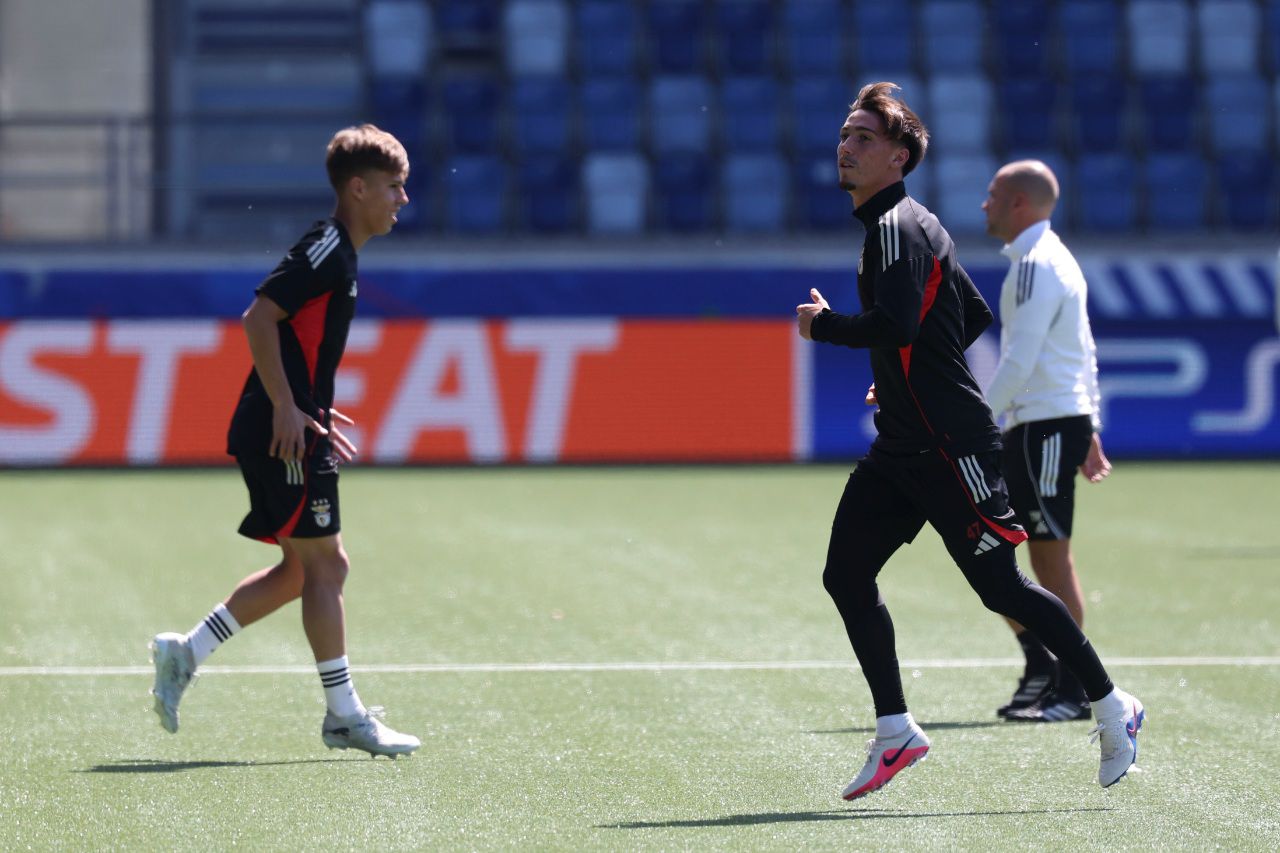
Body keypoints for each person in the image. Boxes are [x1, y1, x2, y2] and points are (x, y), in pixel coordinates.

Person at [795, 82, 1143, 800]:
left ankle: (1114, 705)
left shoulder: (898, 226)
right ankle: (896, 730)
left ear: (899, 157)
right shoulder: (909, 226)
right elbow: (971, 313)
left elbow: (896, 324)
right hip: (903, 446)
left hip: (950, 447)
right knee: (845, 573)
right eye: (845, 134)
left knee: (1002, 588)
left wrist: (822, 326)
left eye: (864, 138)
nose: (847, 147)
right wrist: (900, 377)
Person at [149, 124, 419, 758]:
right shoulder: (327, 247)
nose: (402, 200)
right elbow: (259, 317)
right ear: (358, 188)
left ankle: (185, 653)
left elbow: (293, 338)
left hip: (293, 423)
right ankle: (343, 715)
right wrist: (287, 408)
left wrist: (313, 407)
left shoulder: (340, 254)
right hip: (280, 432)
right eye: (393, 187)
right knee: (326, 567)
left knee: (304, 569)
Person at [981, 160, 1111, 724]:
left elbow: (1021, 361)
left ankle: (1076, 690)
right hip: (1049, 422)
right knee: (994, 556)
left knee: (1049, 562)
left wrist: (976, 419)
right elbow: (1083, 350)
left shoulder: (1037, 264)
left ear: (1018, 204)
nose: (983, 205)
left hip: (1043, 424)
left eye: (992, 195)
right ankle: (1044, 665)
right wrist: (1091, 422)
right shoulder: (1049, 259)